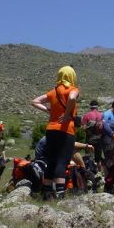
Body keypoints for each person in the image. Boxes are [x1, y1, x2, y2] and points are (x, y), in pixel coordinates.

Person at [30, 65, 80, 200]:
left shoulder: (53, 92)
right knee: (62, 161)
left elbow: (34, 101)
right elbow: (72, 98)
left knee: (51, 160)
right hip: (66, 130)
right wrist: (67, 113)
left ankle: (47, 193)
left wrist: (48, 110)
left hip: (51, 129)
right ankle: (59, 194)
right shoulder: (73, 89)